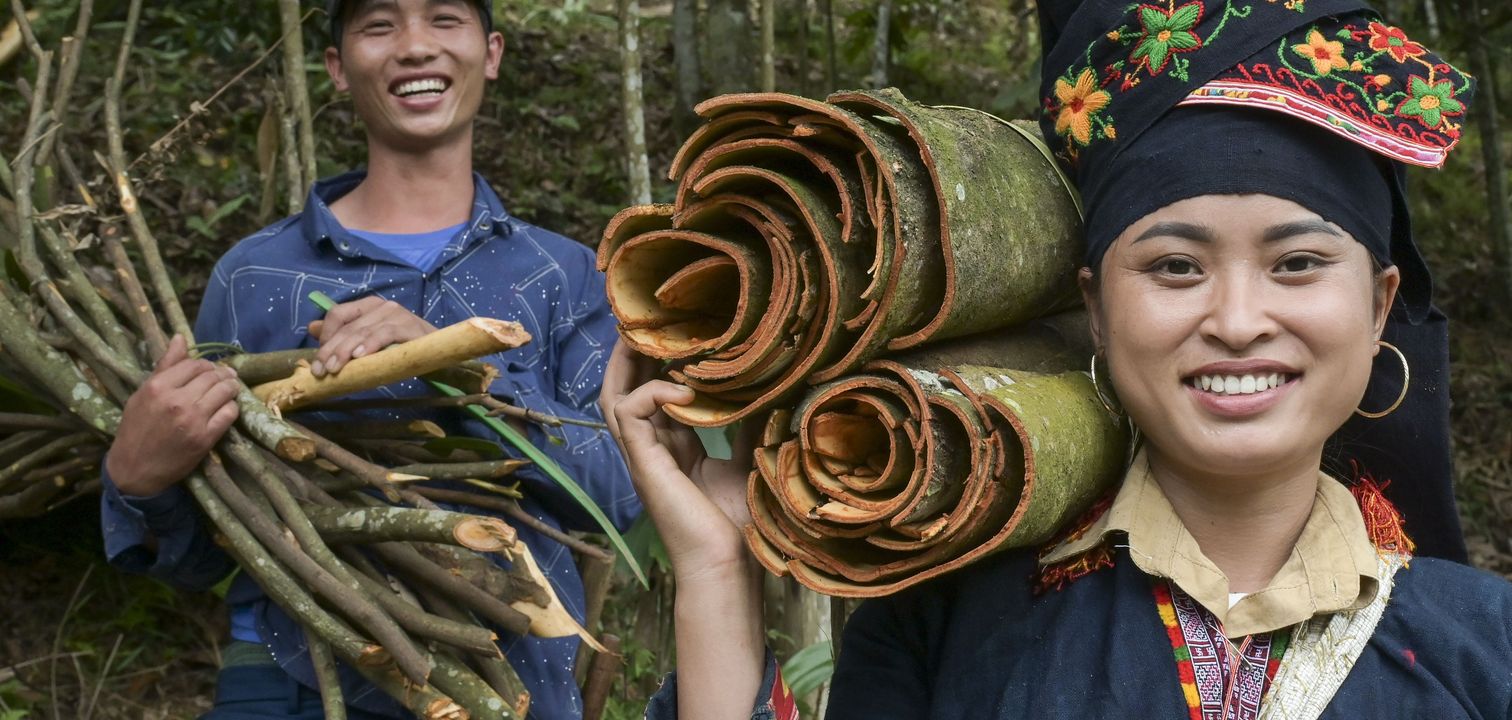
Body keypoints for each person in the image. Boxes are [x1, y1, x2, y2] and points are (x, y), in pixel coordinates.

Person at [602, 1, 1512, 717]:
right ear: (1096, 310)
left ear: (1380, 303)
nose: (1238, 321)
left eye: (1298, 263)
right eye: (1175, 267)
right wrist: (718, 573)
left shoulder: (1487, 646)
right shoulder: (946, 619)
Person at [98, 0, 639, 717]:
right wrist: (137, 483)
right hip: (291, 676)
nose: (414, 46)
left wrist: (461, 371)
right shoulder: (257, 276)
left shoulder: (565, 276)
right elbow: (207, 551)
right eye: (379, 25)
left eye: (444, 19)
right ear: (337, 70)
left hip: (515, 687)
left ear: (493, 52)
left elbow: (620, 498)